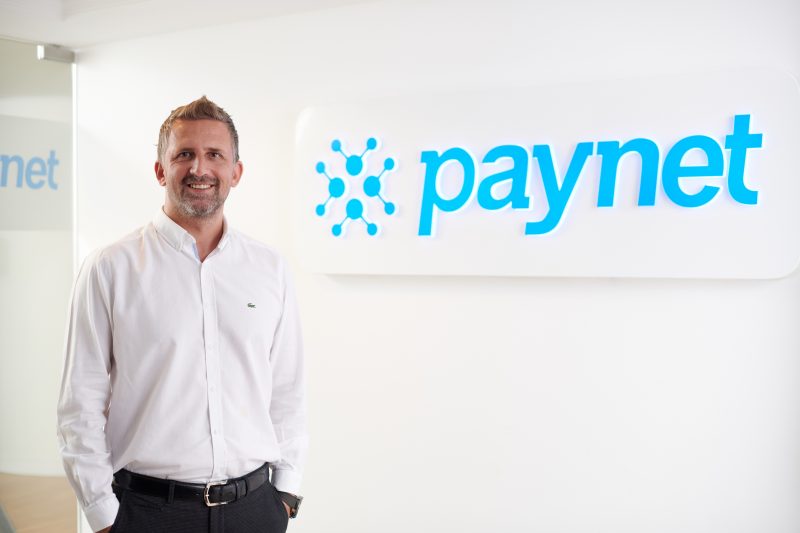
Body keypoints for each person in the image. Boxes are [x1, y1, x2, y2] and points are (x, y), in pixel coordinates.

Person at [57, 96, 307, 533]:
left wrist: (285, 493)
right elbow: (80, 403)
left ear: (236, 172)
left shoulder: (269, 269)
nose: (199, 168)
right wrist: (104, 515)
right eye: (184, 154)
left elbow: (287, 390)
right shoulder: (111, 268)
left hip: (254, 510)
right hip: (147, 512)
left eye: (215, 155)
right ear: (160, 170)